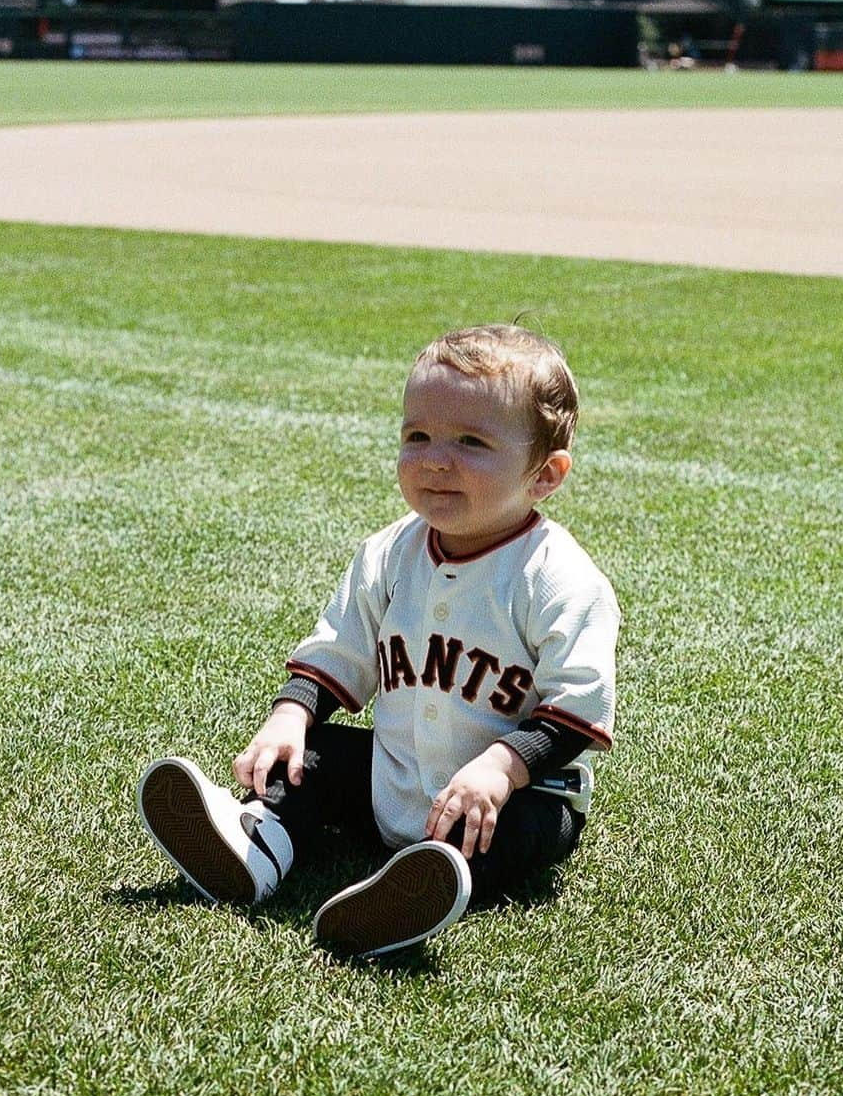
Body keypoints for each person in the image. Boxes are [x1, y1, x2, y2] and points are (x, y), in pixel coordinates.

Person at [138, 324, 619, 957]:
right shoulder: (389, 553)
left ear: (545, 475)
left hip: (517, 795)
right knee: (312, 757)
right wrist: (291, 716)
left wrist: (500, 770)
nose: (435, 459)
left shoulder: (559, 577)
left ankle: (414, 893)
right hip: (394, 774)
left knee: (504, 832)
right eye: (417, 435)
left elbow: (578, 714)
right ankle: (252, 849)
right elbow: (339, 649)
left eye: (471, 442)